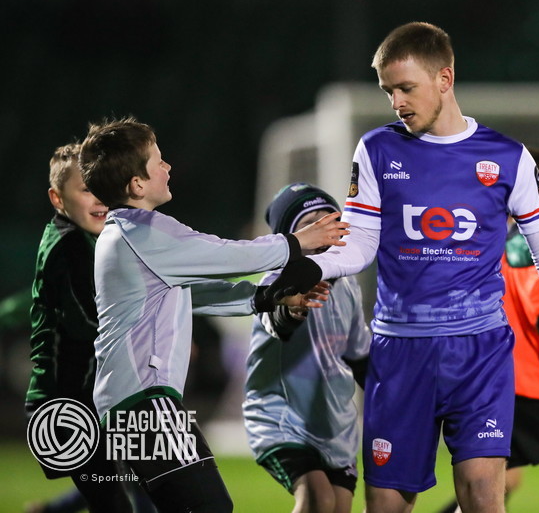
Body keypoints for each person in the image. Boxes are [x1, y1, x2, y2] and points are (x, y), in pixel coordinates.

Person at [270, 22, 539, 513]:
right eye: (388, 92)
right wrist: (312, 267)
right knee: (386, 504)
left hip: (480, 352)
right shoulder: (378, 150)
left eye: (407, 88)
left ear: (445, 78)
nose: (397, 102)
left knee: (485, 497)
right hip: (401, 352)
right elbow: (360, 245)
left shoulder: (507, 158)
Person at [77, 117, 349, 513]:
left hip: (132, 405)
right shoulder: (143, 232)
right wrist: (297, 242)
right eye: (157, 161)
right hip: (145, 405)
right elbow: (226, 255)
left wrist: (269, 297)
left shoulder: (121, 236)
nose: (167, 167)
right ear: (137, 185)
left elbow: (194, 295)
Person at [437, 149, 539, 513]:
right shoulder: (534, 247)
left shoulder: (491, 245)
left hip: (488, 386)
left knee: (496, 485)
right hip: (531, 391)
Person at [242, 182, 371, 513]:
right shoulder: (276, 281)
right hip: (280, 419)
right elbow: (276, 319)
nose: (324, 227)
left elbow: (360, 357)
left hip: (334, 427)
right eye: (310, 222)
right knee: (318, 498)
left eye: (328, 217)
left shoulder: (348, 284)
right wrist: (290, 310)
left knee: (338, 506)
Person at [25, 142, 133, 513]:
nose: (100, 197)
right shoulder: (69, 245)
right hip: (66, 404)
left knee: (135, 485)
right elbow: (91, 317)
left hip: (87, 397)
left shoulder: (90, 237)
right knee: (121, 497)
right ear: (58, 199)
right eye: (87, 188)